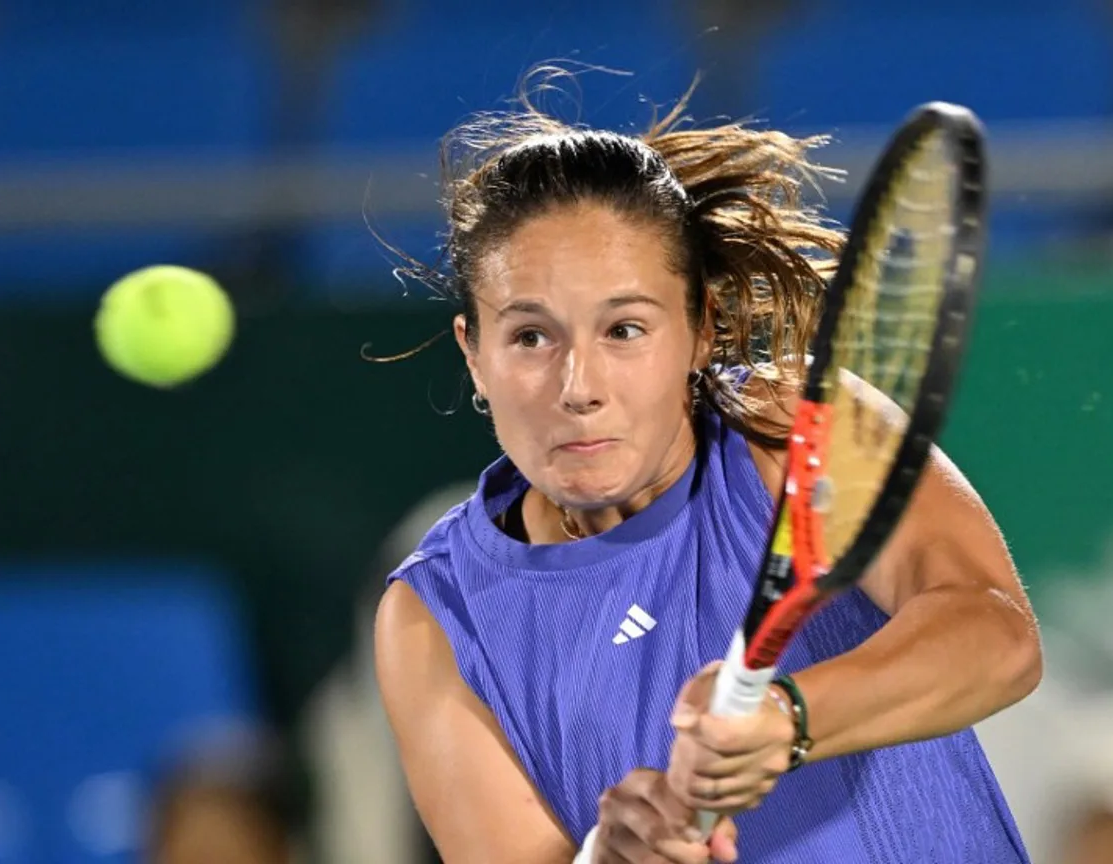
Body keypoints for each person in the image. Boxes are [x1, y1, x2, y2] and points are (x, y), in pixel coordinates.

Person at [374, 73, 1043, 864]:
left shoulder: (792, 428)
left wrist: (789, 719)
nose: (578, 388)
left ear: (701, 331)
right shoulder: (432, 617)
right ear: (474, 355)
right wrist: (611, 857)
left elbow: (996, 637)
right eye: (529, 337)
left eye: (625, 329)